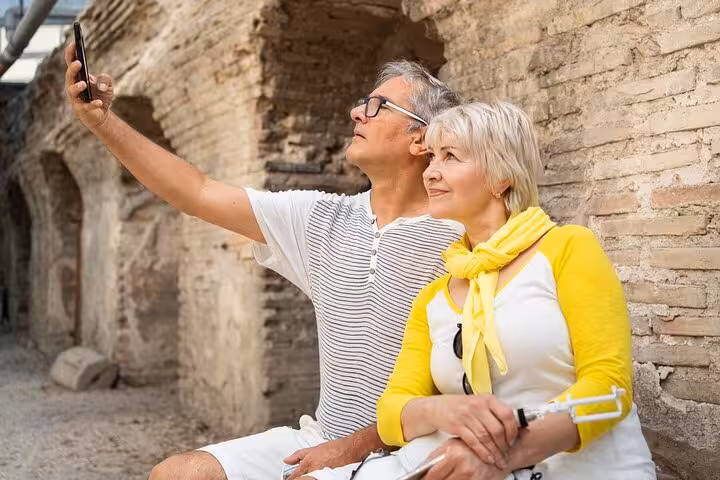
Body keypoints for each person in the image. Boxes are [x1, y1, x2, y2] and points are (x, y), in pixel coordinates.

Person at [64, 42, 463, 480]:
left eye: (377, 105)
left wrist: (353, 449)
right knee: (176, 474)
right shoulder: (319, 217)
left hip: (412, 451)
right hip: (321, 439)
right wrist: (102, 123)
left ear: (421, 137)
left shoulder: (462, 235)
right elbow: (196, 192)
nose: (357, 113)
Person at [309, 102, 656, 480]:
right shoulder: (435, 297)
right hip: (463, 462)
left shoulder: (568, 249)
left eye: (450, 157)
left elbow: (610, 386)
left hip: (581, 468)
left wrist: (501, 455)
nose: (430, 173)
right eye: (431, 159)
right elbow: (392, 411)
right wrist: (444, 411)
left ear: (501, 176)